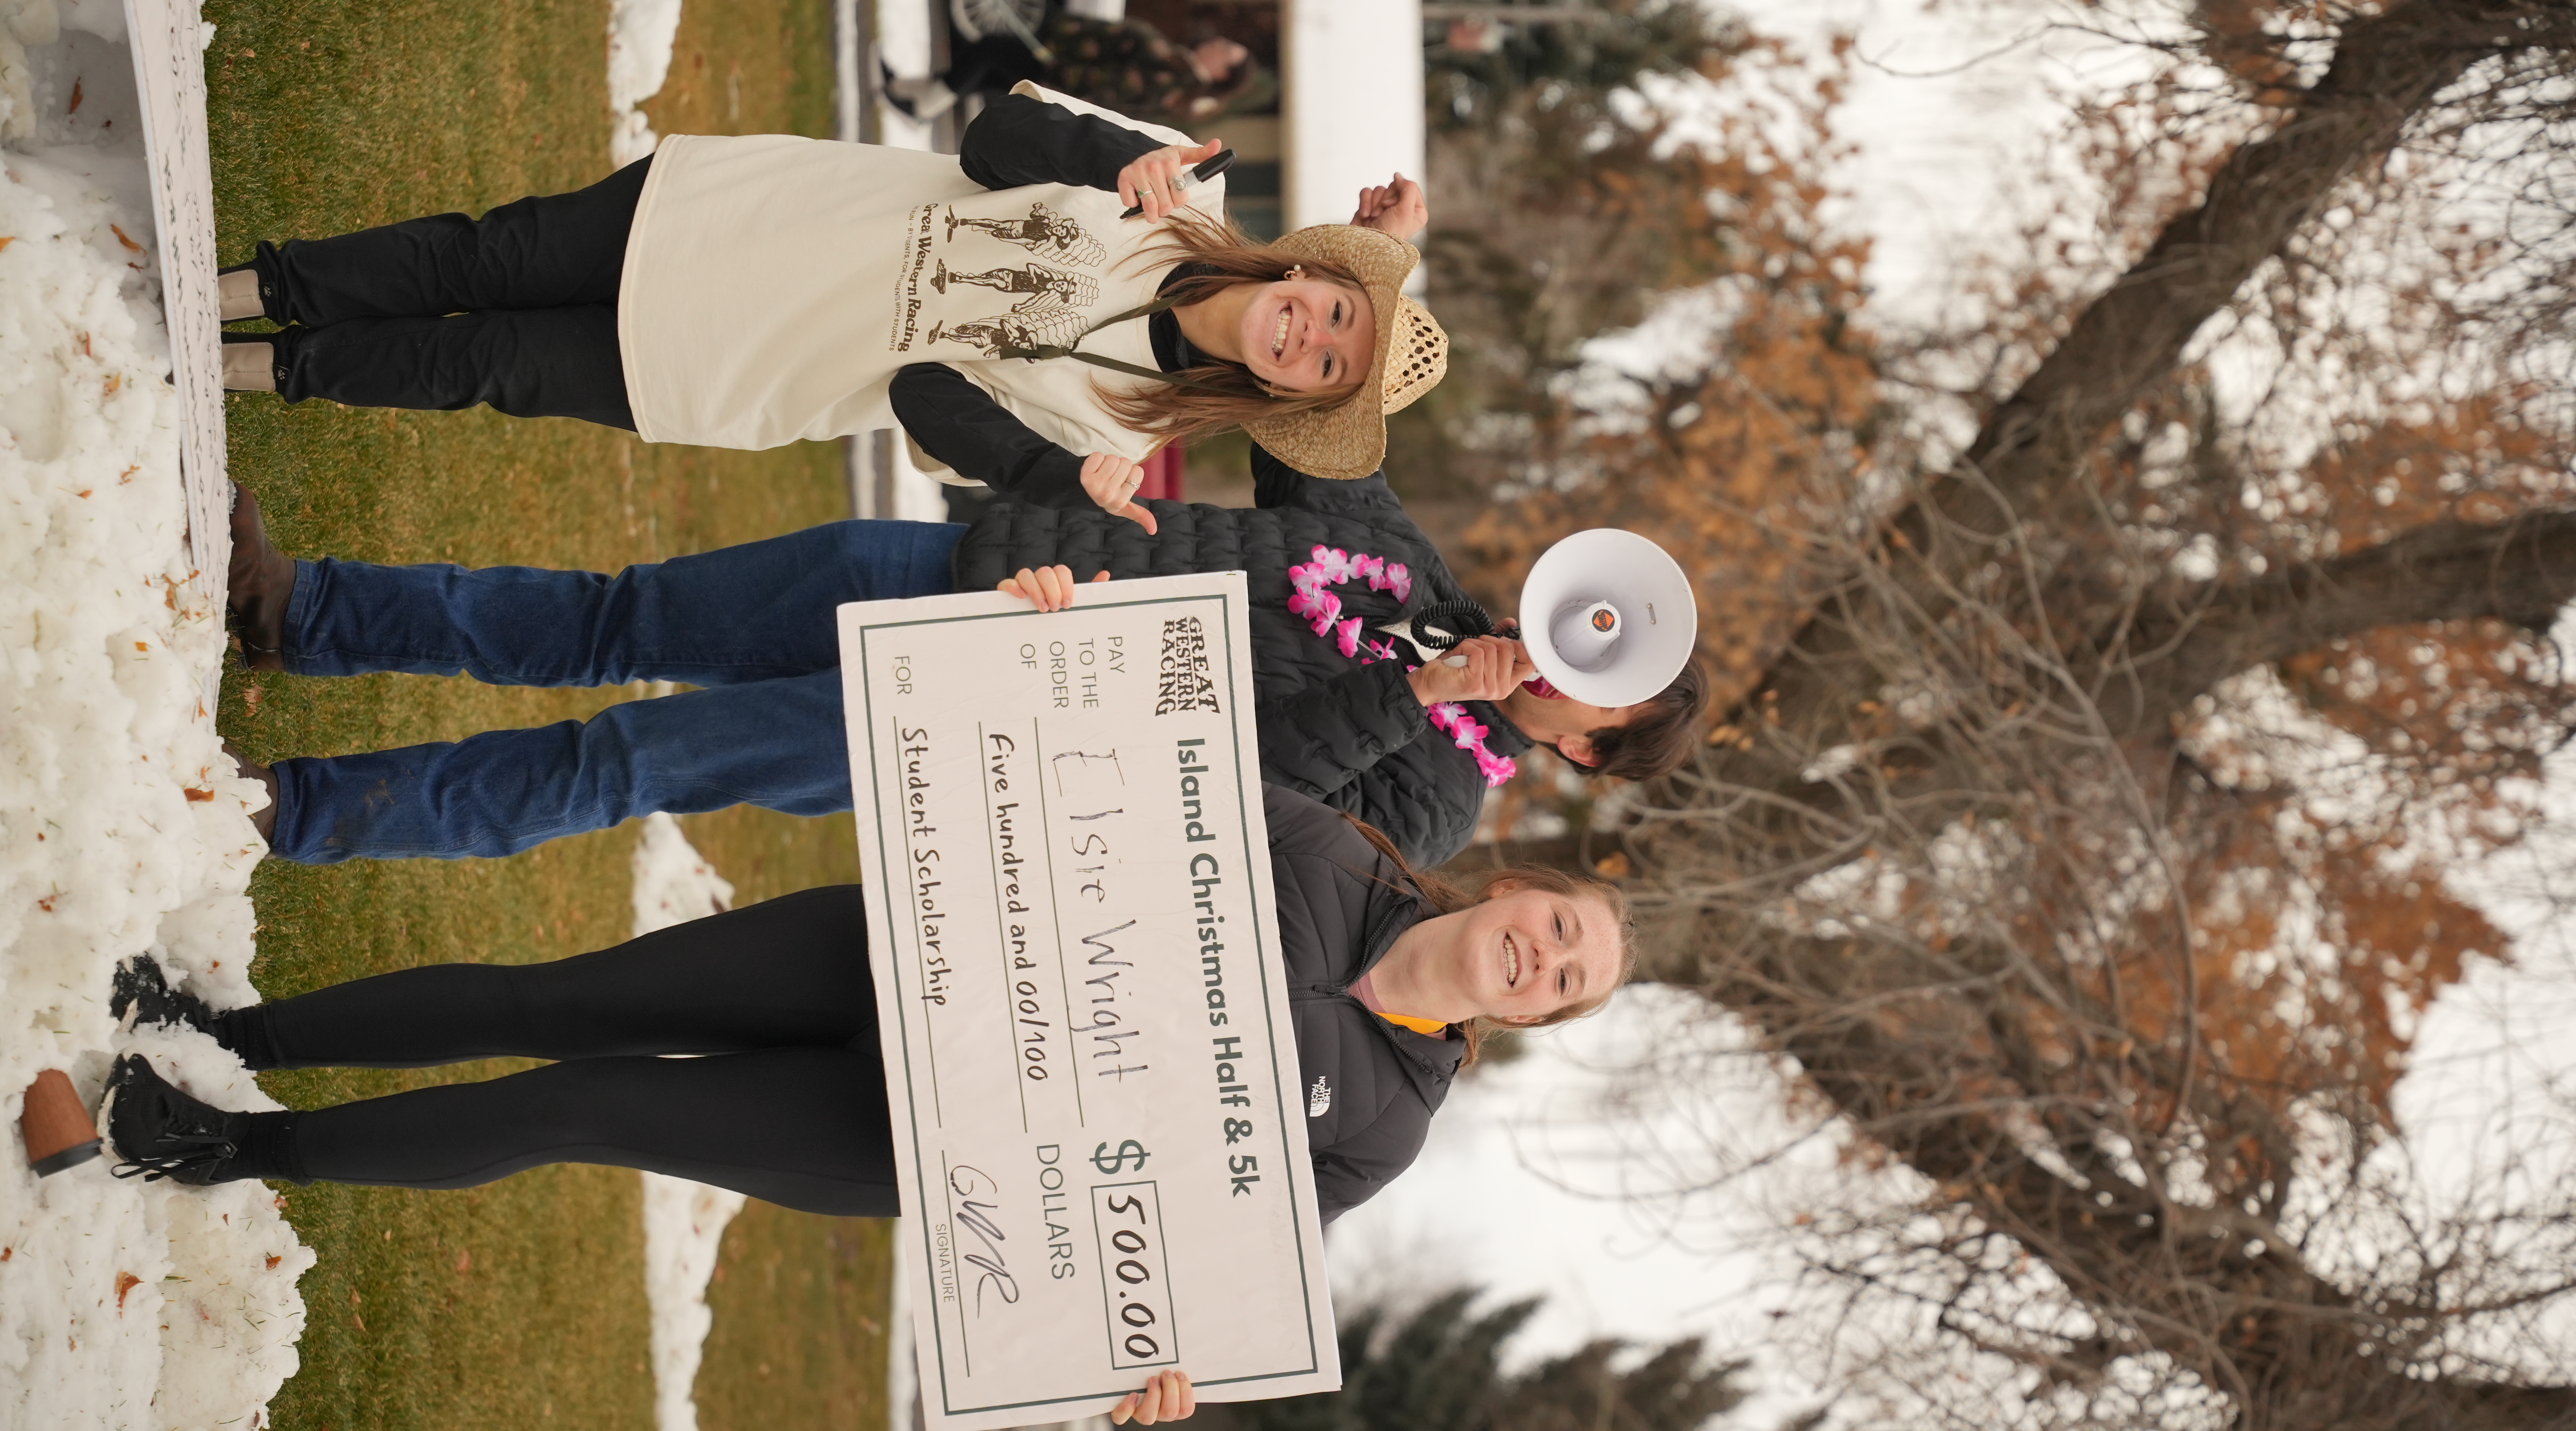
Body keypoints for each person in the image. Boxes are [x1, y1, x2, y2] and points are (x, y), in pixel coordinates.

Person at [101, 789, 1638, 1420]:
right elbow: (1100, 767)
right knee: (548, 997)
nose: (1545, 956)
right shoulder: (1329, 850)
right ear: (1519, 887)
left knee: (576, 1107)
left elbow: (1224, 1263)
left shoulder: (1381, 1124)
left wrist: (1165, 1361)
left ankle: (230, 1142)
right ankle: (228, 1024)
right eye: (1560, 926)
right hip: (888, 960)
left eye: (1565, 982)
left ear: (1530, 1017)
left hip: (906, 1139)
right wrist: (1049, 632)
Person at [217, 437, 1709, 868]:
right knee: (625, 615)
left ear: (1585, 747)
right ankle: (304, 611)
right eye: (1594, 627)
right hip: (964, 570)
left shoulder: (1437, 809)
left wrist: (1411, 692)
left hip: (984, 721)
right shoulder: (1407, 561)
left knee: (631, 758)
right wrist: (1376, 266)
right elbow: (1314, 422)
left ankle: (295, 812)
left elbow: (1251, 794)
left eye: (1601, 682)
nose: (1564, 656)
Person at [215, 83, 1441, 484]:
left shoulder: (1121, 432)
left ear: (1290, 397)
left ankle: (254, 367)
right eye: (1336, 310)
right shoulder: (1183, 187)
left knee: (476, 361)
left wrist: (1047, 475)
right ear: (1309, 268)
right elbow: (990, 138)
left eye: (1329, 366)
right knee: (483, 256)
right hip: (742, 219)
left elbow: (922, 398)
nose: (1309, 336)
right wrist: (1104, 155)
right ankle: (245, 288)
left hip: (738, 362)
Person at [887, 19, 1258, 125]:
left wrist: (1056, 66)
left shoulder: (1176, 81)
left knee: (990, 52)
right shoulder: (1179, 66)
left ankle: (922, 105)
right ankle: (907, 90)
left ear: (1223, 74)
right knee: (984, 68)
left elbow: (1110, 86)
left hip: (1055, 74)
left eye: (1225, 50)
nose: (1217, 42)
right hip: (1057, 60)